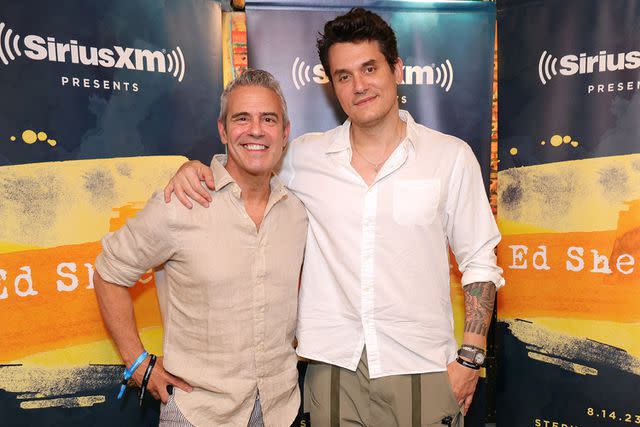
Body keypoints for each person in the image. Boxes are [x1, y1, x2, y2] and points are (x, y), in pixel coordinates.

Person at [164, 8, 503, 427]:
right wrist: (196, 168)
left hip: (422, 367)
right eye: (343, 76)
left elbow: (480, 261)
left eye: (369, 69)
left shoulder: (449, 157)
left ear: (396, 69)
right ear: (332, 85)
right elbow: (248, 165)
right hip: (330, 369)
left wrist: (469, 359)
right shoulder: (304, 157)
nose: (359, 86)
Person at [93, 69, 308, 427]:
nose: (256, 130)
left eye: (268, 119)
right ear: (223, 130)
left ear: (285, 133)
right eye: (242, 119)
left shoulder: (296, 213)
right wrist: (137, 363)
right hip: (198, 415)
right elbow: (108, 272)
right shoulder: (181, 202)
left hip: (279, 410)